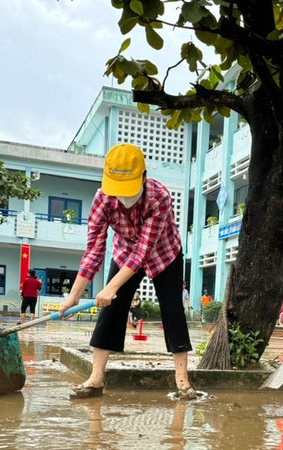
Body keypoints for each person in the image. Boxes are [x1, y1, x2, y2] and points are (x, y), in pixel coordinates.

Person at [59, 143, 195, 400]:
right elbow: (94, 251)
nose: (123, 197)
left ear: (143, 177)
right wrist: (74, 296)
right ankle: (96, 378)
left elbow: (143, 253)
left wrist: (112, 287)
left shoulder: (159, 197)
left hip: (164, 254)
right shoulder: (103, 199)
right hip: (123, 253)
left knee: (173, 309)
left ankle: (182, 381)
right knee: (111, 310)